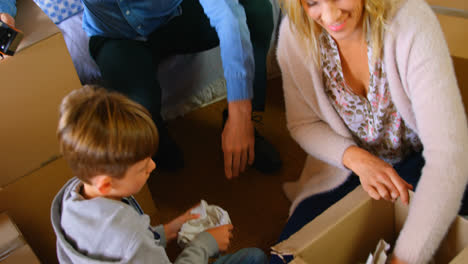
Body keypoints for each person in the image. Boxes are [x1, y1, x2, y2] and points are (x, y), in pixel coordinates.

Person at [273, 0, 468, 263]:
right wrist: (356, 159)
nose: (330, 15)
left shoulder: (410, 22)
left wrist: (402, 259)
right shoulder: (295, 34)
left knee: (434, 234)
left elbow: (448, 157)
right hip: (346, 166)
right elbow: (302, 124)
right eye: (313, 2)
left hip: (422, 158)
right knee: (285, 258)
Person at [51, 85, 268, 263]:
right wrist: (204, 244)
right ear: (106, 184)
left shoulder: (75, 197)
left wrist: (168, 230)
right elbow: (131, 241)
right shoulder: (130, 236)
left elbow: (121, 249)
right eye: (142, 166)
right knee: (255, 258)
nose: (153, 166)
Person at [79, 0, 282, 178]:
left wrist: (240, 113)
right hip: (117, 37)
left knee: (255, 10)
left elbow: (228, 15)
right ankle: (157, 139)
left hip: (174, 16)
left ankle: (243, 124)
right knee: (140, 115)